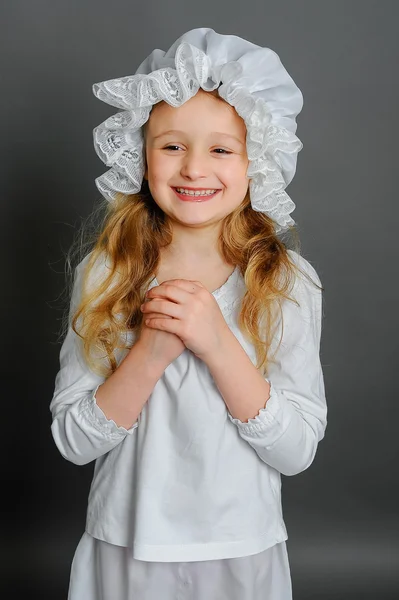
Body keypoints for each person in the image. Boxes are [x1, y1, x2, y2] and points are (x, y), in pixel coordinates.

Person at [50, 27, 327, 600]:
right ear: (140, 155)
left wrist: (217, 343)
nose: (194, 169)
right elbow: (73, 441)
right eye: (172, 145)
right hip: (125, 549)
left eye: (222, 149)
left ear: (259, 162)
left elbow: (296, 451)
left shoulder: (286, 283)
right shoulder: (106, 274)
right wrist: (150, 353)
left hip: (239, 553)